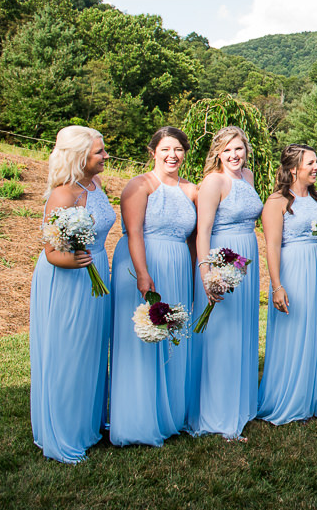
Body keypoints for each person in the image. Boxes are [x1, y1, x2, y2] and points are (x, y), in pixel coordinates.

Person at [109, 126, 198, 447]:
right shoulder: (139, 185)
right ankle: (137, 420)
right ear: (153, 152)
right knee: (142, 340)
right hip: (141, 263)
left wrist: (195, 273)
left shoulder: (191, 190)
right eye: (166, 149)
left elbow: (195, 238)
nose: (172, 156)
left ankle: (170, 415)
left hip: (177, 267)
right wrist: (143, 274)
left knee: (172, 335)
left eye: (178, 149)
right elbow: (133, 232)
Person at [30, 126, 114, 463]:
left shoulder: (94, 185)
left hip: (95, 274)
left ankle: (87, 424)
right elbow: (52, 251)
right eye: (99, 152)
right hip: (68, 279)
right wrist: (75, 260)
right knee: (68, 353)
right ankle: (63, 433)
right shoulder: (63, 194)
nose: (106, 156)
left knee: (91, 352)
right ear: (80, 157)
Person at [187, 125, 264, 440]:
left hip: (247, 259)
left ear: (246, 150)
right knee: (221, 337)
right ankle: (217, 417)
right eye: (228, 150)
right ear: (217, 153)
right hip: (220, 259)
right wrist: (207, 273)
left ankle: (240, 407)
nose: (234, 155)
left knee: (242, 333)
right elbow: (202, 231)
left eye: (239, 149)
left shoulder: (247, 177)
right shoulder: (213, 182)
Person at [257, 145, 317, 425]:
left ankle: (313, 397)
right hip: (294, 270)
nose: (316, 168)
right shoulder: (276, 202)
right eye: (311, 163)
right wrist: (277, 286)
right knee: (296, 332)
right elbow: (272, 247)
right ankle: (290, 400)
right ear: (294, 169)